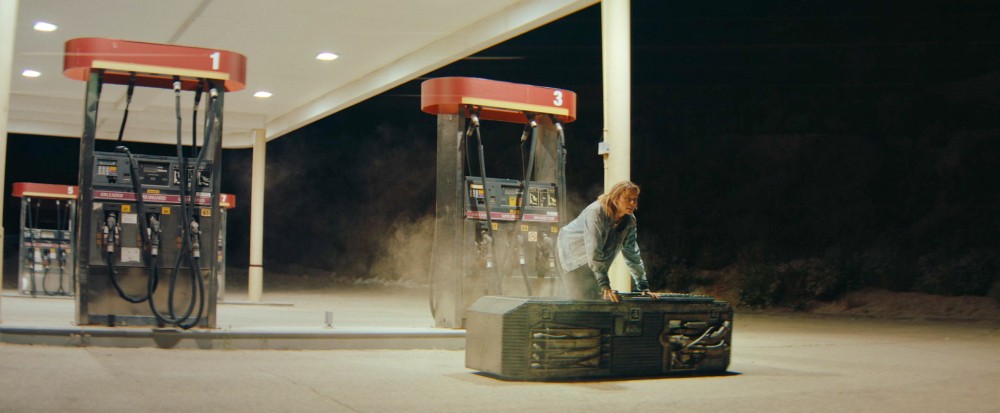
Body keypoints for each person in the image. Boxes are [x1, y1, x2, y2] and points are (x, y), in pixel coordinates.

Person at [557, 181, 659, 302]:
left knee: (597, 298)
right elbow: (594, 247)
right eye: (627, 199)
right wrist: (604, 283)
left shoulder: (630, 221)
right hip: (572, 255)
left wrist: (643, 286)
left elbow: (632, 253)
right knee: (580, 298)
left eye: (635, 199)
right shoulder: (596, 212)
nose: (632, 203)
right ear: (615, 198)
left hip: (595, 260)